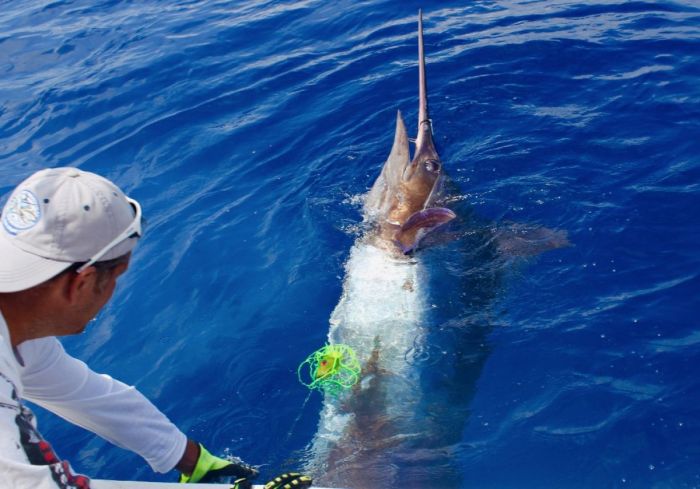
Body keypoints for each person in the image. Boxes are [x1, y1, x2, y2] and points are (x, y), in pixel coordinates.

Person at [0, 168, 312, 489]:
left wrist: (192, 459)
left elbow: (87, 395)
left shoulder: (19, 330)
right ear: (84, 281)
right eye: (118, 275)